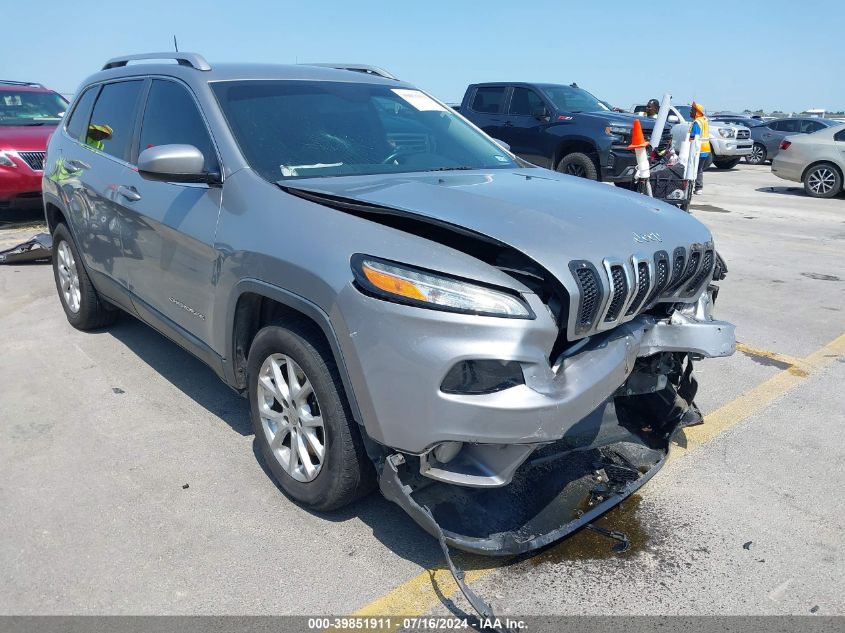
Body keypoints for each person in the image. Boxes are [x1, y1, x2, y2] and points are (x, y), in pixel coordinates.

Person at [689, 102, 710, 193]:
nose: (690, 112)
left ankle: (697, 187)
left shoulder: (697, 122)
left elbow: (695, 136)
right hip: (706, 148)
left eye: (692, 110)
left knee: (694, 168)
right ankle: (699, 187)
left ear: (697, 112)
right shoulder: (704, 120)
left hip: (699, 148)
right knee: (699, 169)